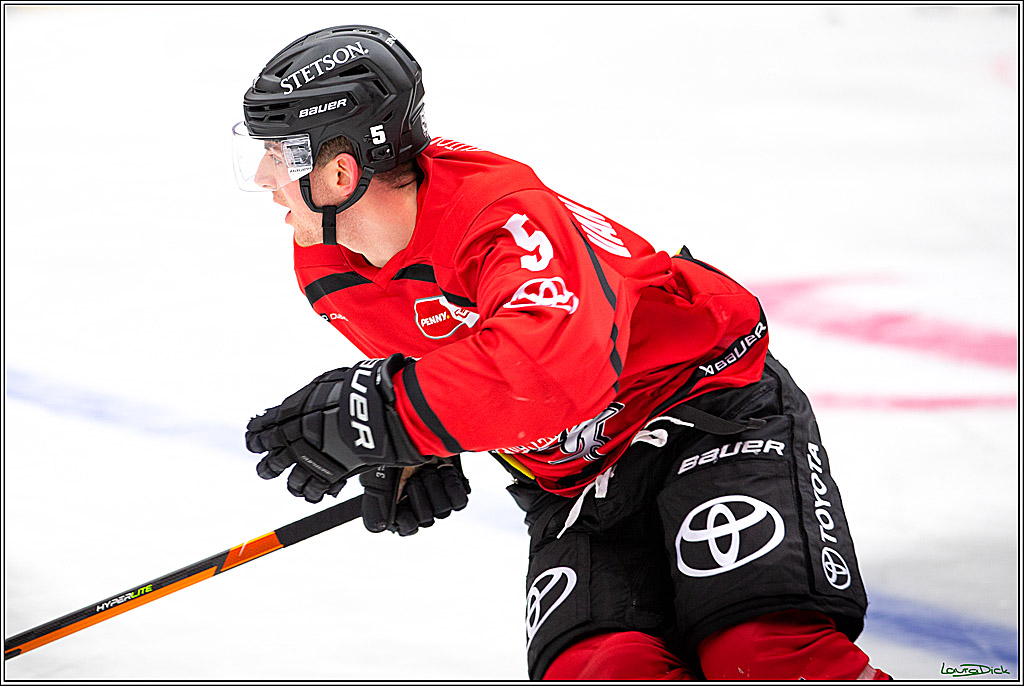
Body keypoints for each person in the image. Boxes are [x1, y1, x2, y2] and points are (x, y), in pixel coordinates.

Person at [233, 25, 891, 681]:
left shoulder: (499, 214)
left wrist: (390, 415)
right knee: (603, 670)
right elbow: (448, 364)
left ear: (340, 172)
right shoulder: (327, 262)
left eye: (278, 154)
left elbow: (551, 376)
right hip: (576, 479)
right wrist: (417, 450)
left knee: (763, 657)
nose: (264, 177)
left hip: (703, 410)